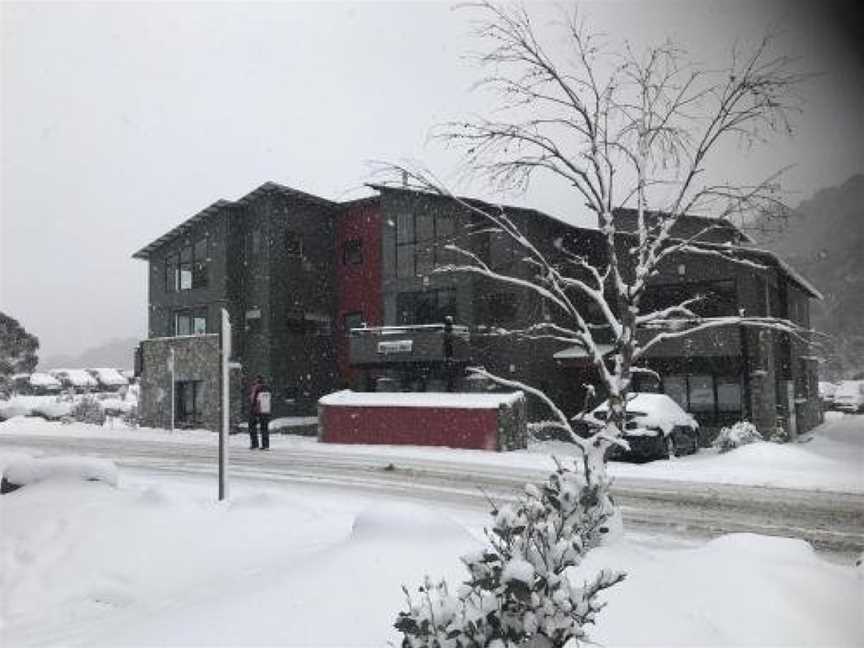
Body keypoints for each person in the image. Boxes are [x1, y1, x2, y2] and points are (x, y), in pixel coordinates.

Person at [248, 375, 272, 450]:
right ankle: (266, 445)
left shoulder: (256, 387)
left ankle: (255, 444)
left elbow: (253, 400)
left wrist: (253, 408)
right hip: (265, 410)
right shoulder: (267, 388)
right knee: (264, 428)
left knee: (252, 426)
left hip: (256, 410)